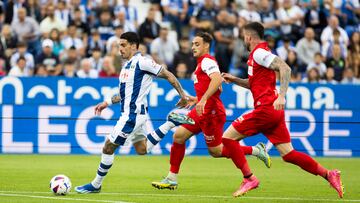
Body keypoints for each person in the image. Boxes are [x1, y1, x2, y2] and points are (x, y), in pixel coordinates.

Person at [220, 22, 344, 198]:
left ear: (249, 36)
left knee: (227, 138)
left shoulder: (260, 53)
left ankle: (249, 178)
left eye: (244, 36)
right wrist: (234, 80)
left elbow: (285, 68)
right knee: (288, 154)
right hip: (274, 113)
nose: (243, 40)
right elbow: (253, 84)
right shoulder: (257, 56)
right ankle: (328, 174)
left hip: (266, 109)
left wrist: (282, 96)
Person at [75, 32, 194, 193]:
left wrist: (183, 96)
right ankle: (170, 122)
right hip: (134, 114)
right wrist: (107, 102)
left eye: (123, 45)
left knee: (108, 146)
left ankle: (96, 184)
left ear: (133, 45)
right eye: (119, 46)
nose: (120, 49)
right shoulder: (126, 66)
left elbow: (168, 75)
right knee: (141, 149)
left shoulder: (143, 62)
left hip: (132, 115)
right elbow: (124, 94)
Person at [151, 32, 271, 190]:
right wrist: (197, 99)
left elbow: (217, 79)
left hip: (212, 113)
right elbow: (216, 87)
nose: (193, 47)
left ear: (206, 45)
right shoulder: (201, 63)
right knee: (178, 136)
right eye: (193, 44)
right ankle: (171, 178)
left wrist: (204, 99)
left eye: (197, 44)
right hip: (202, 109)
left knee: (216, 151)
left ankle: (256, 150)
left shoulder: (207, 61)